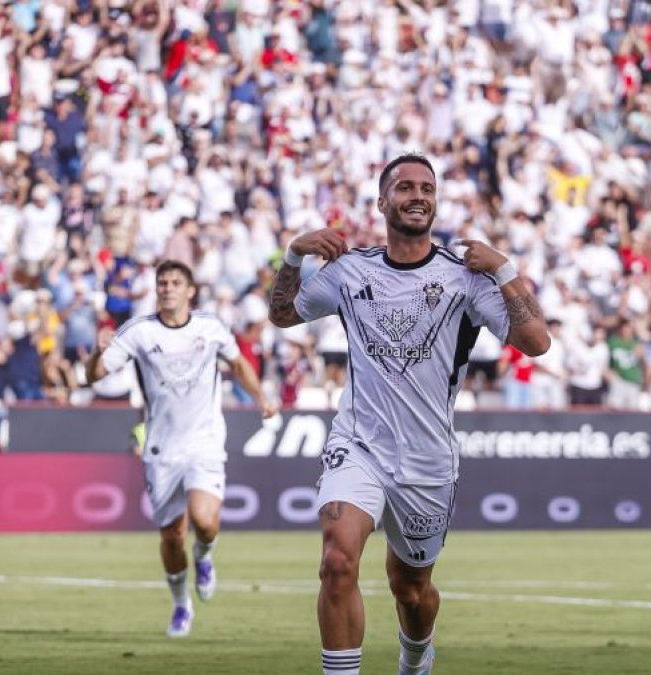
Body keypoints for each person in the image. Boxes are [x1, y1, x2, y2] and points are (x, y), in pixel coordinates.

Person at [267, 154, 550, 675]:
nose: (417, 195)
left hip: (427, 459)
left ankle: (415, 660)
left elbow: (536, 342)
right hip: (359, 445)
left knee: (411, 589)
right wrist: (291, 255)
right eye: (404, 188)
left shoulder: (465, 278)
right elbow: (281, 314)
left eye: (427, 187)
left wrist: (505, 270)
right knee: (336, 562)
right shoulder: (350, 271)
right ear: (382, 202)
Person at [86, 259, 278, 638]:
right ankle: (180, 605)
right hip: (161, 449)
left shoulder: (210, 327)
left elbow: (238, 364)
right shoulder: (139, 332)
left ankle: (205, 557)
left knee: (204, 521)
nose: (168, 288)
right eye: (162, 282)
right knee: (172, 535)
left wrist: (261, 397)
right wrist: (97, 352)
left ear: (190, 290)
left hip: (204, 441)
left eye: (175, 282)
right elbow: (95, 376)